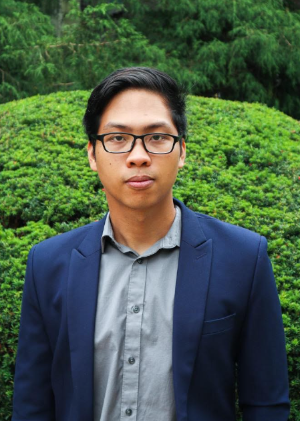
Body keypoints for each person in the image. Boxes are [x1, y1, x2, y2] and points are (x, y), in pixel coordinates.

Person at [12, 67, 290, 421]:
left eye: (157, 137)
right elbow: (32, 406)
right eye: (117, 138)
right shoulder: (48, 264)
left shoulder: (243, 259)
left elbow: (266, 404)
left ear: (182, 151)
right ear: (93, 155)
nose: (138, 155)